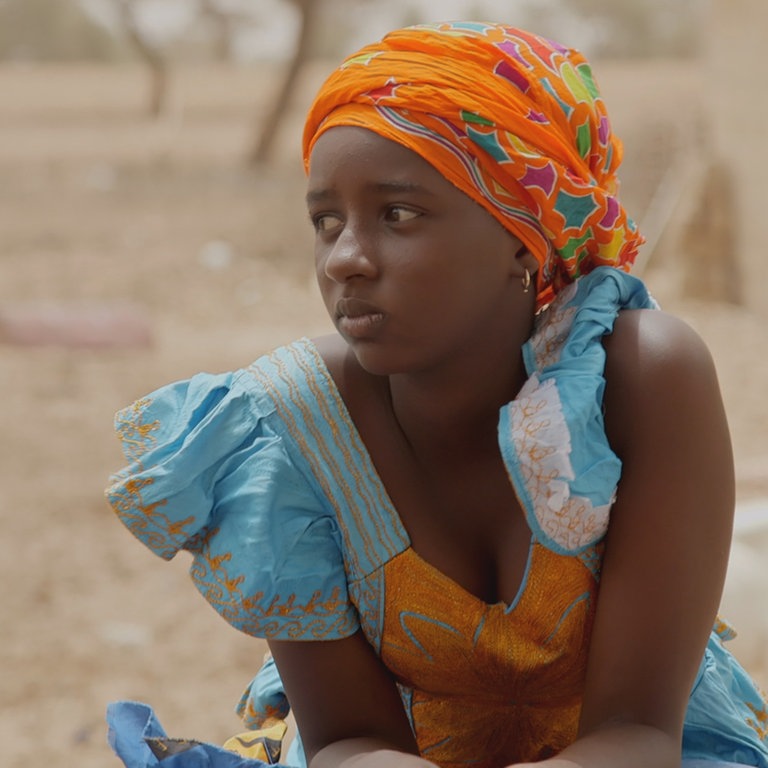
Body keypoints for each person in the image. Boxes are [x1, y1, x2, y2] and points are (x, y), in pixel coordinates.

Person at [105, 21, 768, 768]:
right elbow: (348, 740)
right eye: (326, 221)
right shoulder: (296, 423)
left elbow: (641, 733)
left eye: (398, 214)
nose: (346, 259)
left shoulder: (641, 381)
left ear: (524, 235)